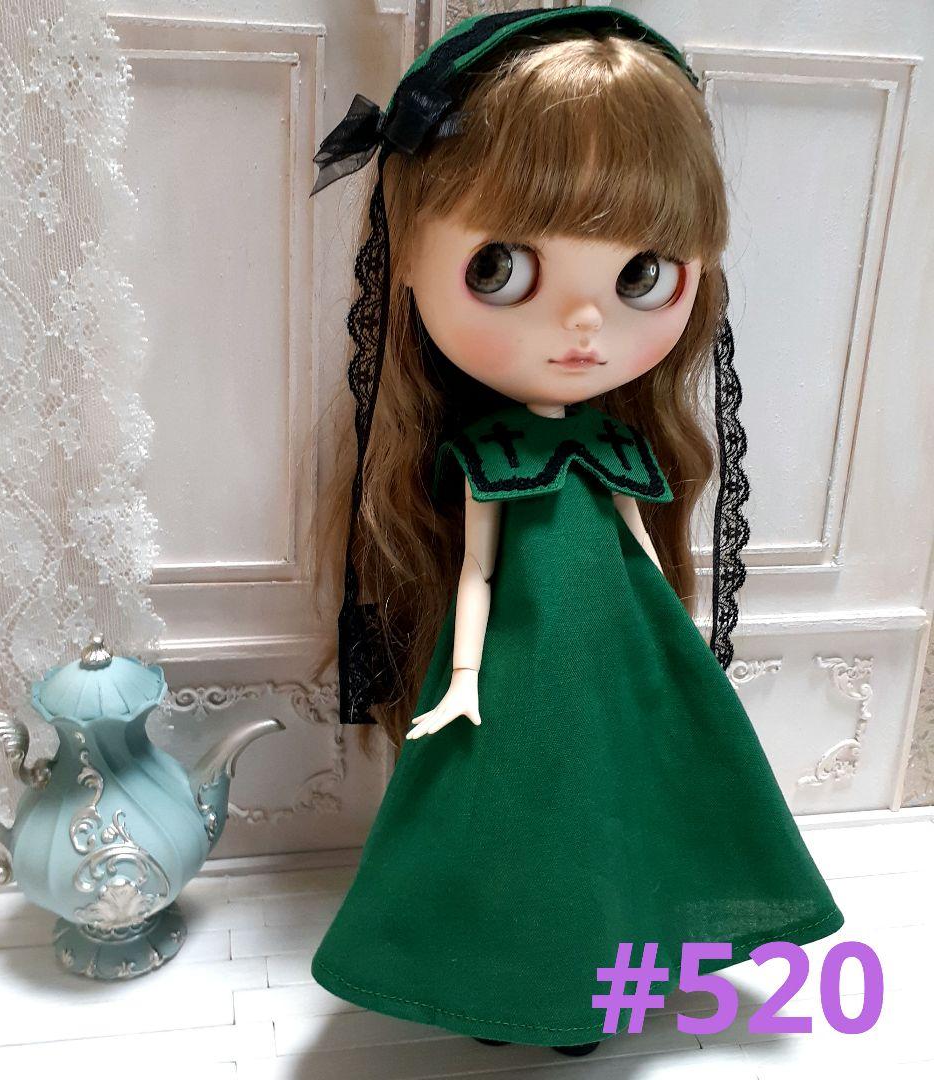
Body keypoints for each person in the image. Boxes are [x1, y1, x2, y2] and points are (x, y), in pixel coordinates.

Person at [306, 6, 845, 1055]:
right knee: (514, 826)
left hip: (615, 662)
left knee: (611, 817)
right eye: (501, 270)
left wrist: (673, 641)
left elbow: (640, 544)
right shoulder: (490, 457)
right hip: (514, 675)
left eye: (642, 276)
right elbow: (476, 574)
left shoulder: (616, 448)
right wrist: (464, 678)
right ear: (406, 260)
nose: (587, 324)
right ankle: (500, 985)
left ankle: (601, 980)